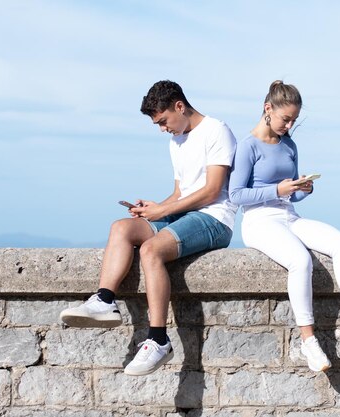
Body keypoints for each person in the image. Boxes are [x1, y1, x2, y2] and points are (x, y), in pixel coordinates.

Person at [60, 80, 237, 376]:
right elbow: (180, 194)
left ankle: (158, 340)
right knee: (122, 228)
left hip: (214, 219)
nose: (163, 129)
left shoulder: (217, 131)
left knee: (151, 249)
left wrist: (164, 211)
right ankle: (104, 300)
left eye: (164, 121)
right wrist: (153, 209)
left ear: (179, 106)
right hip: (186, 214)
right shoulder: (176, 141)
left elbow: (211, 190)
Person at [228, 80, 340, 373]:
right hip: (259, 221)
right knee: (300, 261)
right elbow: (237, 195)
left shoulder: (288, 144)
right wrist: (277, 190)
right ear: (268, 109)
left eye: (294, 120)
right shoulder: (247, 146)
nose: (289, 126)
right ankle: (308, 340)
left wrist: (303, 188)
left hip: (287, 215)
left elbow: (291, 191)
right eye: (285, 119)